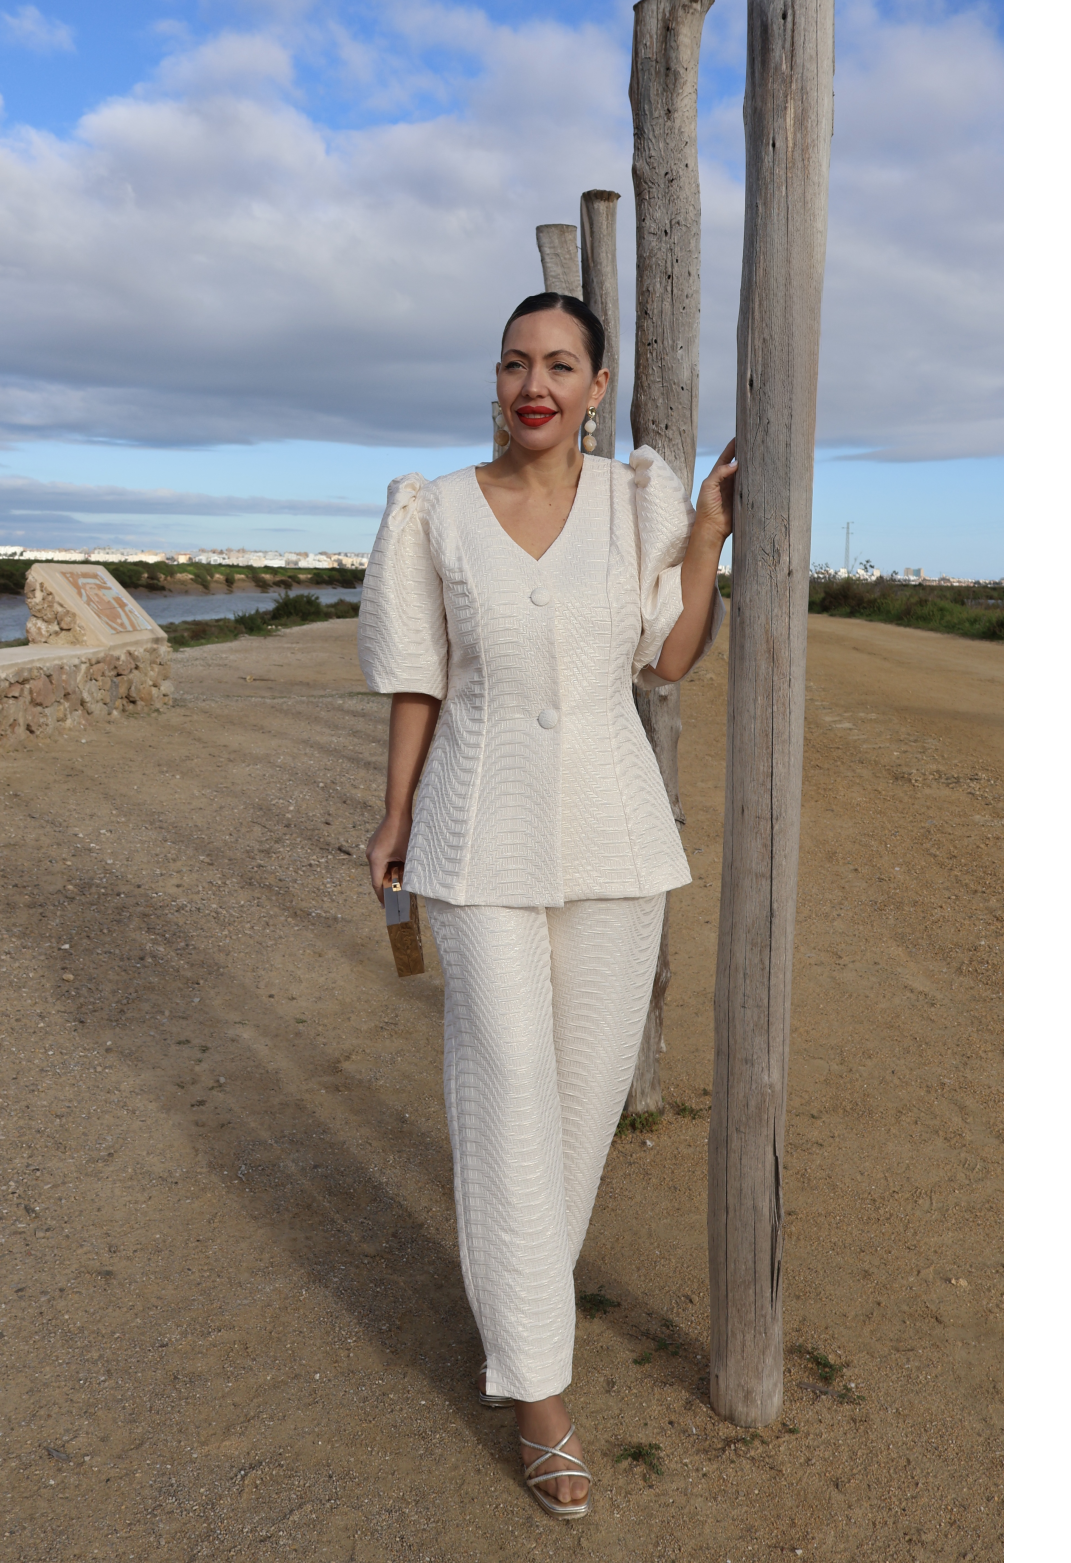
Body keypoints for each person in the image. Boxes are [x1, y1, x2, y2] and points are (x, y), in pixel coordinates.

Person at [358, 291, 735, 1520]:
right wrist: (395, 812)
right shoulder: (436, 510)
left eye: (560, 363)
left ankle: (517, 1298)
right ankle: (540, 1397)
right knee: (507, 1084)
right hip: (473, 838)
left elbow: (666, 658)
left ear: (597, 383)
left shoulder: (638, 503)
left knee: (577, 1108)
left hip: (618, 842)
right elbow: (419, 674)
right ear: (499, 378)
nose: (535, 381)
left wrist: (708, 537)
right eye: (517, 361)